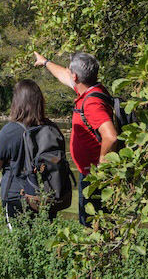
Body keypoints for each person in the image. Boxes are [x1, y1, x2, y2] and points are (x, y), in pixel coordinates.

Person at [33, 50, 117, 226]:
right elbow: (64, 75)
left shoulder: (92, 103)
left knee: (93, 225)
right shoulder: (92, 89)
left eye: (70, 71)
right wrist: (46, 62)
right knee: (98, 224)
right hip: (90, 174)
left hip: (95, 178)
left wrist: (101, 166)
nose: (67, 73)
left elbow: (111, 137)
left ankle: (97, 253)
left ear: (76, 76)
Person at [0, 79, 66, 219]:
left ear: (17, 102)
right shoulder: (52, 128)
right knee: (44, 237)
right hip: (48, 195)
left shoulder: (10, 130)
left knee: (17, 237)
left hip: (17, 195)